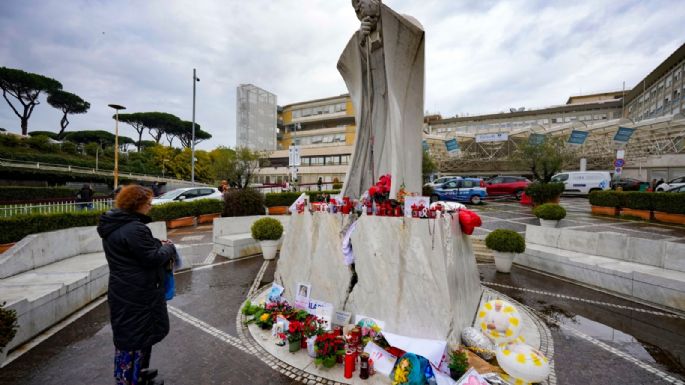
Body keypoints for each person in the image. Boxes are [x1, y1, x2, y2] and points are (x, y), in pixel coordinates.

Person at [338, 0, 424, 199]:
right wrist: (361, 42)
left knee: (393, 141)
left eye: (361, 2)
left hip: (395, 97)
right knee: (373, 146)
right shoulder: (362, 37)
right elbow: (352, 66)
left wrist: (385, 33)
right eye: (355, 7)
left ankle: (394, 191)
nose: (358, 9)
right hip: (375, 101)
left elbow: (414, 36)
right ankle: (375, 190)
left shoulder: (400, 24)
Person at [97, 185, 176, 385]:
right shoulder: (134, 228)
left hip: (124, 289)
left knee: (134, 337)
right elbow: (151, 258)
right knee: (136, 338)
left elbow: (134, 251)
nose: (150, 206)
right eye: (148, 202)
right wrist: (168, 248)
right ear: (136, 204)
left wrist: (156, 243)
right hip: (138, 293)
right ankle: (131, 380)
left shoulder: (116, 225)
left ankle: (138, 373)